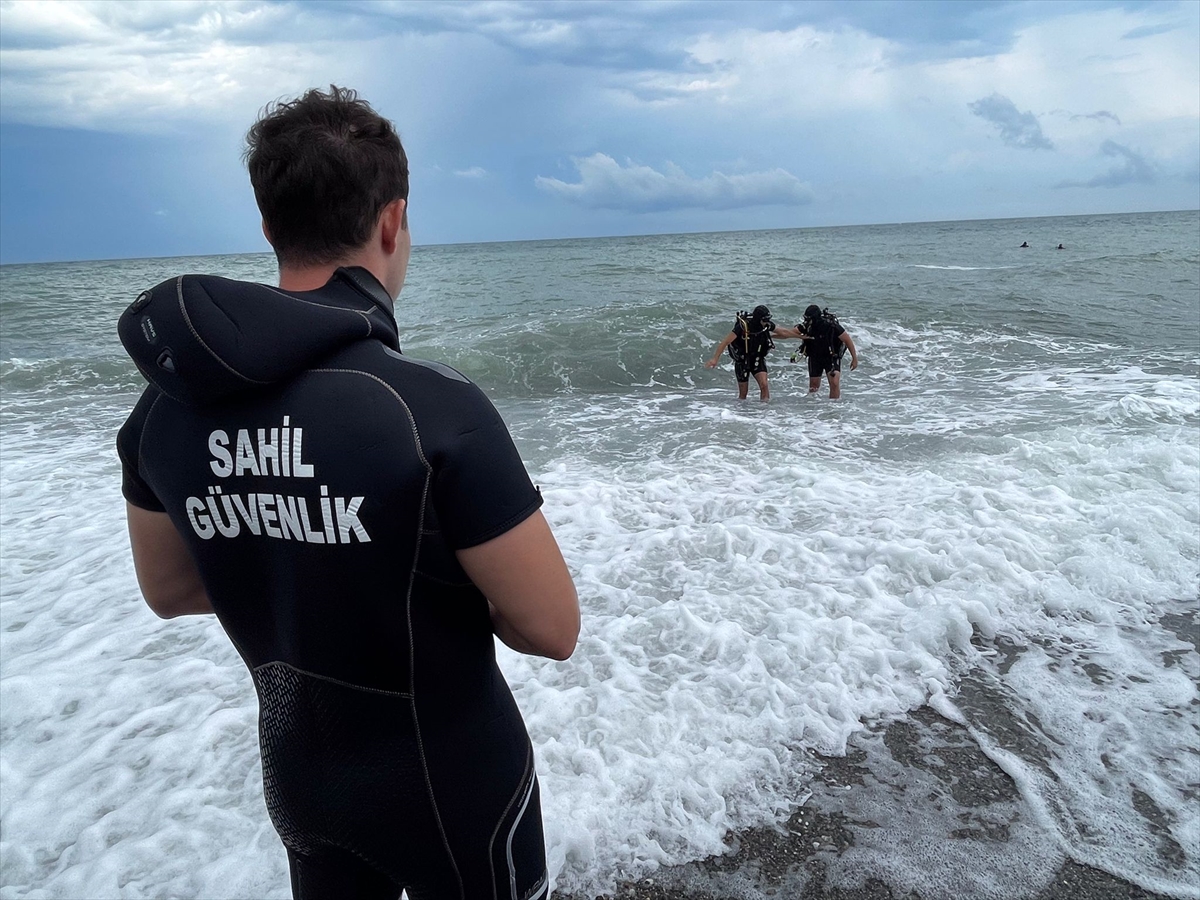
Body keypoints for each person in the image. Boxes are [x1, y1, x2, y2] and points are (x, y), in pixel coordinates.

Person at [116, 86, 579, 900]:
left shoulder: (162, 411)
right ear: (393, 221)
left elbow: (172, 591)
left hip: (304, 780)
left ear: (269, 227)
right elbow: (550, 628)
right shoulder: (432, 408)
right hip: (455, 785)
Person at [775, 304, 859, 399]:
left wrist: (854, 359)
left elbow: (847, 340)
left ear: (815, 318)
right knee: (813, 386)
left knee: (834, 383)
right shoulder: (807, 327)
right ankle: (813, 405)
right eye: (805, 318)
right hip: (815, 357)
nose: (806, 321)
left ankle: (834, 405)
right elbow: (787, 334)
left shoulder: (831, 326)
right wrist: (771, 336)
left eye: (808, 319)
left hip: (831, 356)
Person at [705, 305, 788, 400]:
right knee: (743, 394)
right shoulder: (742, 327)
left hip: (757, 358)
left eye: (768, 319)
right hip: (743, 361)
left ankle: (765, 408)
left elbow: (784, 332)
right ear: (758, 319)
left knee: (764, 385)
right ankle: (741, 409)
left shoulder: (766, 326)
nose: (767, 322)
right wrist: (715, 359)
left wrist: (799, 336)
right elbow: (725, 342)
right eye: (765, 320)